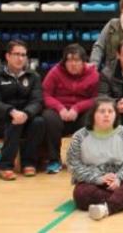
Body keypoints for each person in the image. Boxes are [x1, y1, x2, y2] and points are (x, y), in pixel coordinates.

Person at [67, 97, 123, 221]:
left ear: (116, 115)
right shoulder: (79, 136)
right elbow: (74, 166)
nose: (106, 115)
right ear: (93, 114)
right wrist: (98, 179)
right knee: (81, 195)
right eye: (102, 111)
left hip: (120, 180)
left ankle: (106, 208)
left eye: (110, 111)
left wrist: (118, 178)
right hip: (92, 181)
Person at [0, 40, 46, 180]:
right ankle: (5, 166)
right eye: (16, 54)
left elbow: (38, 101)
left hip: (25, 118)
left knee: (39, 121)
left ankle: (29, 163)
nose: (20, 58)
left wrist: (27, 113)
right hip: (0, 121)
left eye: (23, 55)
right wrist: (11, 111)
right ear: (7, 56)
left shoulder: (33, 76)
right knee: (15, 122)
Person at [42, 43, 99, 174]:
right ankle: (54, 160)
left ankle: (80, 161)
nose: (73, 64)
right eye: (69, 60)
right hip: (59, 113)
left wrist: (77, 108)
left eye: (77, 60)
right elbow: (45, 94)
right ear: (64, 61)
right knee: (48, 117)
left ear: (84, 61)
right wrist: (60, 108)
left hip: (80, 114)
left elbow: (97, 98)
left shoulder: (93, 74)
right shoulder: (55, 72)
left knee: (93, 116)